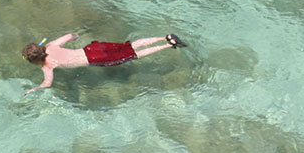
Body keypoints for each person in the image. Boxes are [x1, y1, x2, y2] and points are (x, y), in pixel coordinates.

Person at [22, 33, 187, 95]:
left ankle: (168, 45)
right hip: (92, 49)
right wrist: (77, 35)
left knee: (133, 54)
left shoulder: (47, 66)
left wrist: (34, 89)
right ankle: (164, 37)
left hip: (95, 60)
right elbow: (69, 35)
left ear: (35, 60)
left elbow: (47, 83)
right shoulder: (51, 45)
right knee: (129, 46)